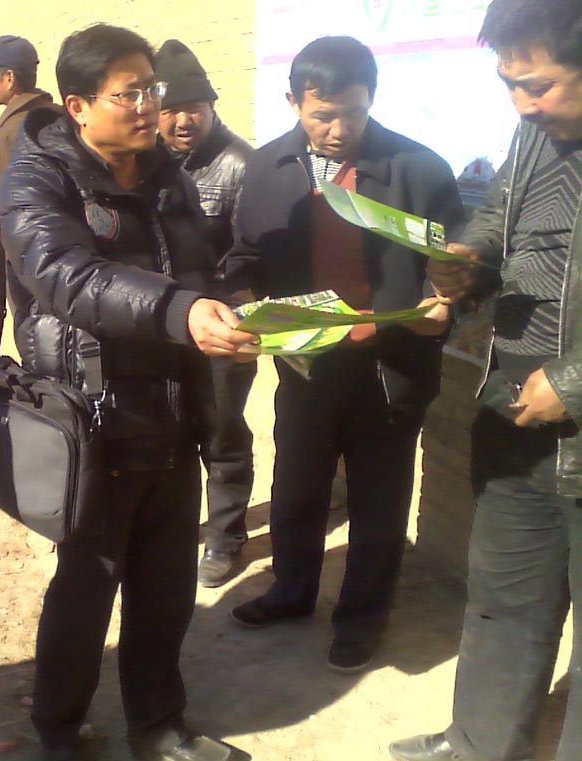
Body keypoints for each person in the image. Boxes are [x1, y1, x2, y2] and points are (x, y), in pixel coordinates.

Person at [0, 23, 254, 761]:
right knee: (88, 584)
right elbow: (65, 276)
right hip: (93, 417)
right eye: (129, 93)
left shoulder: (165, 174)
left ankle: (159, 725)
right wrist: (180, 310)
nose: (148, 106)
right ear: (78, 106)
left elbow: (200, 268)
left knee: (166, 585)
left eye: (151, 89)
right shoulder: (36, 178)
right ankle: (58, 728)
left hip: (172, 409)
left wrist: (239, 306)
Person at [226, 35, 464, 673]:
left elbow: (457, 262)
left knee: (378, 500)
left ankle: (361, 616)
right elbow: (244, 255)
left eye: (353, 113)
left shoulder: (418, 169)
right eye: (322, 115)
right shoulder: (268, 169)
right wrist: (242, 302)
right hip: (307, 363)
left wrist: (445, 302)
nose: (338, 130)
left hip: (390, 368)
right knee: (297, 486)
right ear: (293, 103)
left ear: (373, 98)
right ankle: (291, 590)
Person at [389, 2, 582, 759]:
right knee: (504, 599)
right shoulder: (536, 133)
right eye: (509, 84)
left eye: (538, 85)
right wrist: (464, 265)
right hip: (515, 416)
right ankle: (478, 744)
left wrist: (576, 381)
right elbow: (499, 215)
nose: (522, 105)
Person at [155, 39, 257, 588]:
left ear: (212, 106)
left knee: (221, 434)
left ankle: (226, 536)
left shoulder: (242, 165)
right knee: (169, 428)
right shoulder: (147, 163)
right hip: (165, 323)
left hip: (224, 325)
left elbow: (253, 255)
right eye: (169, 109)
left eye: (192, 107)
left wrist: (231, 315)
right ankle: (174, 527)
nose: (181, 120)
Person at [0, 35, 61, 279]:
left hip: (29, 261)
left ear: (9, 79)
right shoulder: (58, 114)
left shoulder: (13, 128)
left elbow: (4, 205)